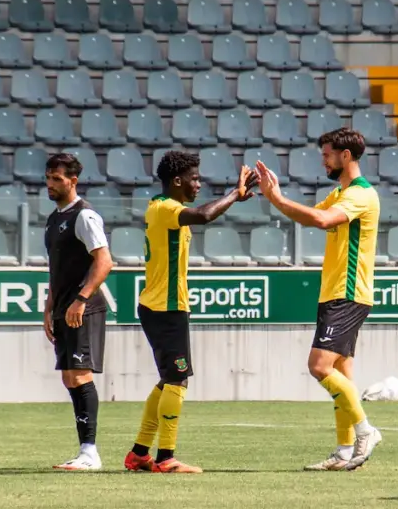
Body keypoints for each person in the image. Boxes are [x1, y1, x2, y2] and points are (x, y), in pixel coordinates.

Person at [255, 127, 383, 471]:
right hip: (336, 292)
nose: (322, 160)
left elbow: (323, 218)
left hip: (348, 292)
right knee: (341, 370)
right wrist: (274, 196)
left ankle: (366, 431)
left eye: (327, 154)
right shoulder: (342, 193)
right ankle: (344, 450)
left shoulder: (360, 195)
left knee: (319, 367)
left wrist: (278, 199)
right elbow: (313, 218)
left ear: (345, 156)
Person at [123, 151, 258, 474]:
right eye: (195, 178)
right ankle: (166, 457)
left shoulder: (161, 208)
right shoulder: (166, 209)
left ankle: (140, 453)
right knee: (178, 379)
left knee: (169, 379)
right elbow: (204, 215)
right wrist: (235, 195)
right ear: (178, 181)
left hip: (163, 306)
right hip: (165, 308)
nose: (199, 183)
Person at [43, 153, 114, 471]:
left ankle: (91, 453)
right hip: (63, 307)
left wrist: (81, 299)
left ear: (73, 180)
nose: (50, 184)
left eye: (57, 179)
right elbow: (56, 269)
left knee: (80, 374)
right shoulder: (54, 218)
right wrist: (49, 306)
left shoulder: (84, 217)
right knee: (70, 377)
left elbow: (104, 261)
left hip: (82, 307)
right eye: (48, 178)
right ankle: (84, 450)